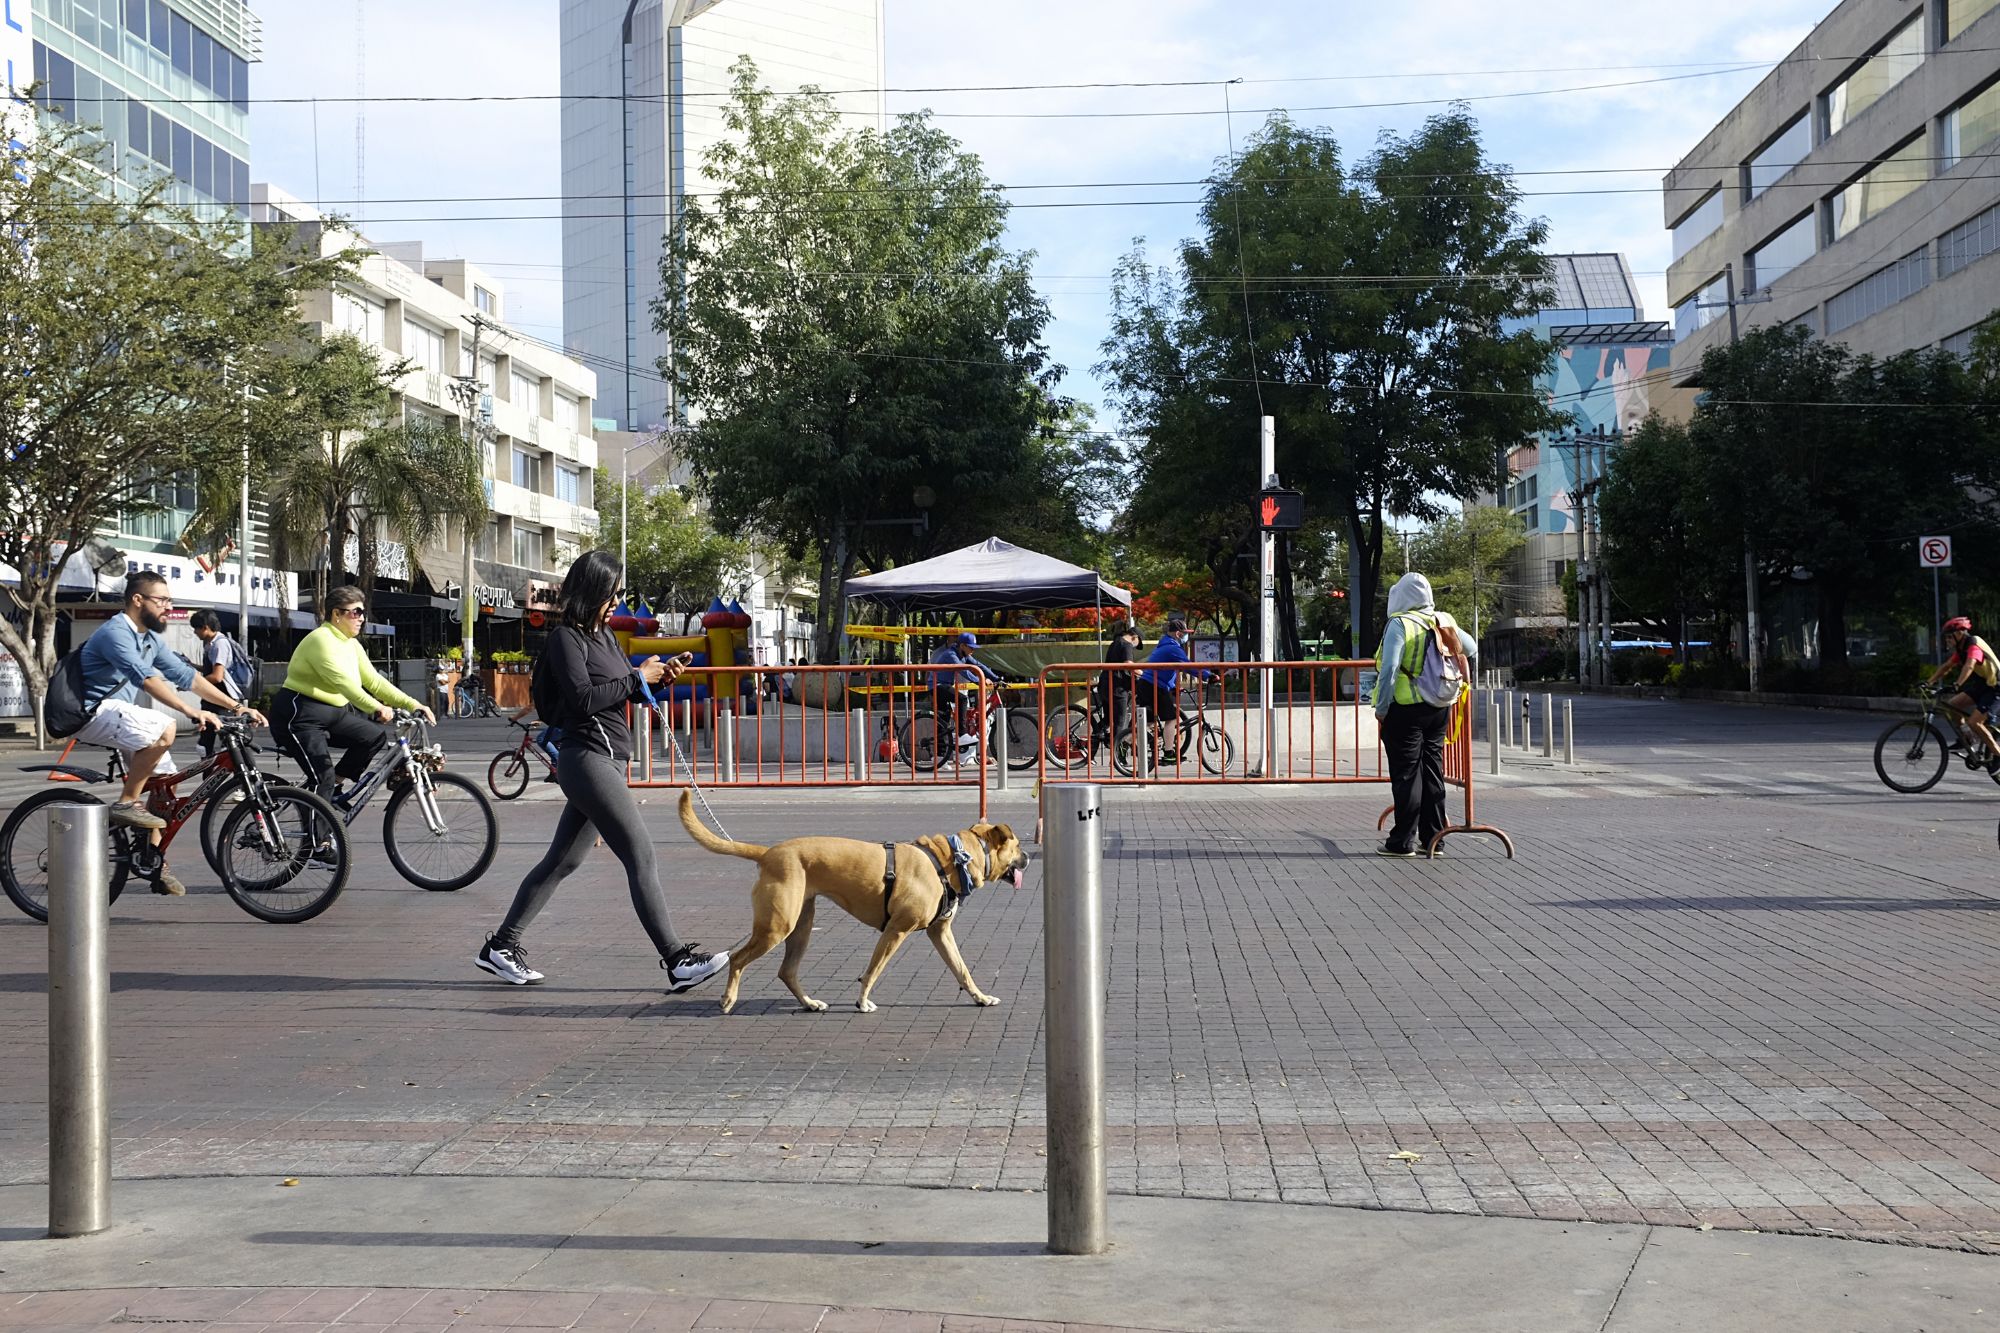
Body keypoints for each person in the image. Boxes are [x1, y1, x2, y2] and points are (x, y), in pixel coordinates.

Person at [476, 549, 727, 993]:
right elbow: (581, 699)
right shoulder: (565, 639)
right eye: (612, 593)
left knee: (563, 861)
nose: (616, 601)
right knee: (640, 853)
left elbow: (618, 692)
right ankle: (676, 960)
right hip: (586, 758)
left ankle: (501, 946)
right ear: (591, 590)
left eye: (619, 593)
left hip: (607, 759)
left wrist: (657, 677)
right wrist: (636, 678)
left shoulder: (604, 637)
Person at [73, 571, 266, 895]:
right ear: (138, 600)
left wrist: (236, 707)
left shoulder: (148, 638)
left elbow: (187, 676)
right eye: (161, 600)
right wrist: (192, 710)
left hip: (121, 717)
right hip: (94, 712)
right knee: (166, 727)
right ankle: (126, 803)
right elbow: (146, 679)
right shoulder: (116, 632)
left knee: (165, 789)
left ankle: (153, 861)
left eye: (169, 601)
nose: (167, 607)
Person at [271, 586, 435, 804]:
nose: (361, 618)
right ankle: (317, 837)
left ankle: (332, 793)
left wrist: (414, 704)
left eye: (362, 613)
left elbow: (374, 682)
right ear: (336, 614)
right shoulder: (321, 639)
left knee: (373, 737)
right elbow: (345, 684)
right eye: (355, 612)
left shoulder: (351, 644)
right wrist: (376, 708)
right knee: (323, 778)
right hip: (299, 714)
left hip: (332, 713)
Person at [1371, 572, 1476, 858]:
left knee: (1406, 774)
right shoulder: (1443, 619)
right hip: (1439, 708)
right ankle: (1435, 838)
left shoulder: (1399, 623)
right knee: (1432, 771)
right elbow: (1471, 647)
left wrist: (1381, 708)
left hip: (1405, 710)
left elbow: (1390, 668)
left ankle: (1402, 841)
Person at [1927, 616, 2000, 765]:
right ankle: (1967, 738)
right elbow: (1947, 666)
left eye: (1949, 636)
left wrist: (1957, 684)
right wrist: (1928, 682)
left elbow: (1969, 666)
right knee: (1953, 705)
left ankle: (1998, 754)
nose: (1947, 640)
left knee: (1975, 722)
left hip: (1996, 686)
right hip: (1984, 684)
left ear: (1959, 634)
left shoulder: (1973, 645)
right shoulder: (1961, 649)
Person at [1137, 617, 1210, 752]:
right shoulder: (1173, 648)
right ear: (1178, 634)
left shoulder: (1164, 645)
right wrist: (1208, 675)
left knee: (1148, 721)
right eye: (1185, 633)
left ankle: (1124, 741)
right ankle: (1169, 751)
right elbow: (1188, 667)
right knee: (1171, 719)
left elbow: (1168, 671)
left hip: (1146, 684)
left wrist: (1173, 687)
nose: (1186, 636)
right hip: (1155, 685)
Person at [929, 631, 1001, 758]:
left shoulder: (963, 655)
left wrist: (997, 678)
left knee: (943, 721)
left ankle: (939, 758)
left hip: (944, 685)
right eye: (970, 647)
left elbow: (979, 666)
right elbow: (962, 669)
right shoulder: (951, 654)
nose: (973, 650)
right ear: (962, 646)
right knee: (962, 699)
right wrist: (980, 680)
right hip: (937, 686)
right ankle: (962, 734)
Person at [189, 610, 245, 756]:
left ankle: (239, 776)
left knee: (229, 745)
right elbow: (213, 670)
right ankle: (210, 775)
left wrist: (192, 683)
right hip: (213, 699)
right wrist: (192, 666)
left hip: (222, 701)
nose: (195, 632)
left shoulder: (220, 644)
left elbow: (217, 676)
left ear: (205, 627)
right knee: (206, 745)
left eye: (196, 628)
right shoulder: (211, 644)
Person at [1094, 623, 1144, 744]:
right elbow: (1128, 664)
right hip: (1117, 687)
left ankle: (1093, 742)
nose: (1135, 646)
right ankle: (1115, 756)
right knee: (1119, 721)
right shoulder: (1127, 645)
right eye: (1137, 643)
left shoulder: (1115, 642)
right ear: (1134, 637)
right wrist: (1143, 673)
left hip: (1105, 684)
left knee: (1108, 719)